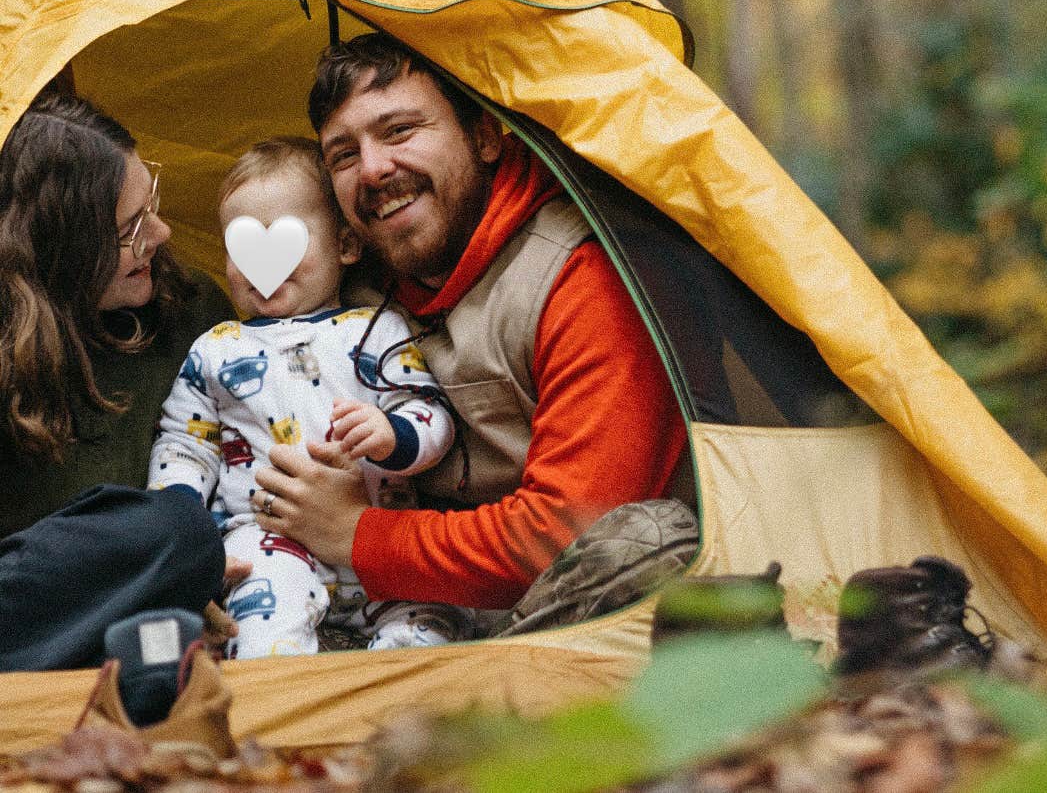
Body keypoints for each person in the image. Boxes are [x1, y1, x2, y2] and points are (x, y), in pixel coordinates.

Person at [252, 33, 691, 615]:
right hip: (393, 610)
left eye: (399, 131)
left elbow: (564, 533)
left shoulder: (579, 277)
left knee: (651, 538)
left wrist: (354, 533)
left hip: (565, 616)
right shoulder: (351, 290)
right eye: (344, 154)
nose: (374, 170)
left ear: (484, 136)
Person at [149, 137, 462, 656]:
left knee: (433, 620)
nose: (259, 263)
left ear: (345, 246)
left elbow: (430, 409)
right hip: (270, 537)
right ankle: (277, 707)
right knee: (260, 617)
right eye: (240, 245)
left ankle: (386, 702)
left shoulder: (377, 330)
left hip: (377, 531)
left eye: (286, 240)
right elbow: (184, 441)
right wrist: (182, 516)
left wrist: (394, 435)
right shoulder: (218, 348)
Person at [0, 92, 233, 671]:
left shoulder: (191, 313)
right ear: (62, 250)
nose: (160, 233)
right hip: (31, 603)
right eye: (130, 229)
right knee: (173, 536)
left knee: (177, 540)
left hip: (146, 606)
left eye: (149, 207)